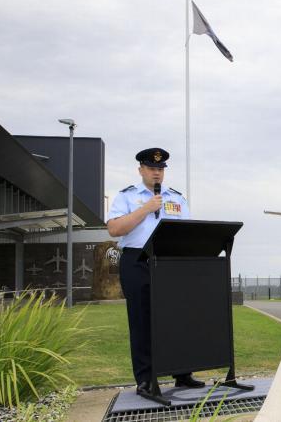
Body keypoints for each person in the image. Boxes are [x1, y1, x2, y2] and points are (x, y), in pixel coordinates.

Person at [106, 148, 205, 397]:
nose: (157, 173)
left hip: (169, 262)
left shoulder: (177, 198)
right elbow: (115, 229)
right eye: (152, 168)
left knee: (177, 318)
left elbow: (187, 232)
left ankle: (182, 373)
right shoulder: (127, 196)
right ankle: (146, 379)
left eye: (160, 169)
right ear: (141, 170)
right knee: (141, 321)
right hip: (137, 261)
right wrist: (146, 209)